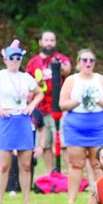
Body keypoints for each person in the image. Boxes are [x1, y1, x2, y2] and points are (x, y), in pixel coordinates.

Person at [59, 48, 103, 204]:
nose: (88, 63)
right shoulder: (72, 80)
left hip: (98, 125)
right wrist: (77, 100)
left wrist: (98, 100)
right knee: (75, 164)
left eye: (91, 60)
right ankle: (72, 199)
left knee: (98, 164)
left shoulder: (101, 79)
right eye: (84, 60)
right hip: (75, 126)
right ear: (78, 62)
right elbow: (62, 104)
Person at [0, 40, 43, 204]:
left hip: (23, 119)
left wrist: (31, 105)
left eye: (18, 57)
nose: (15, 60)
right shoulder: (1, 76)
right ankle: (1, 199)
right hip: (6, 120)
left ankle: (26, 199)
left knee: (26, 164)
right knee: (4, 165)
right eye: (12, 57)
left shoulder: (26, 77)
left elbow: (39, 93)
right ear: (5, 59)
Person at [25, 30, 71, 172]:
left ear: (55, 42)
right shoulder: (33, 63)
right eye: (46, 40)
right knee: (45, 145)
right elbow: (27, 86)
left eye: (52, 40)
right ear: (40, 42)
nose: (49, 43)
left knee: (63, 143)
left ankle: (70, 172)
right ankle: (52, 173)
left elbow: (67, 71)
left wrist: (58, 66)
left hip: (59, 108)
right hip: (40, 109)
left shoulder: (60, 58)